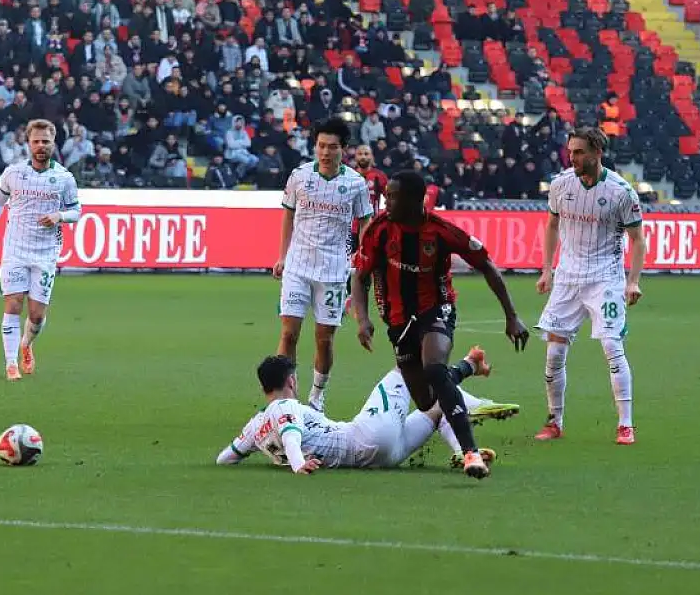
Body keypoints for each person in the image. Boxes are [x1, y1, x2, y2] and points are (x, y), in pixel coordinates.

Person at [350, 170, 530, 481]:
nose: (386, 200)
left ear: (414, 200)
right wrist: (363, 319)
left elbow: (486, 265)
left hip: (436, 310)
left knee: (433, 368)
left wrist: (511, 315)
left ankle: (470, 454)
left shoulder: (441, 231)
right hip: (398, 320)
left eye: (393, 196)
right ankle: (466, 368)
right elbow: (360, 276)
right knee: (426, 400)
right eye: (387, 195)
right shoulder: (379, 229)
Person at [216, 350, 520, 474]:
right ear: (291, 381)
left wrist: (271, 458)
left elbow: (226, 458)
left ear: (263, 388)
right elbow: (291, 436)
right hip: (368, 435)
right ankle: (474, 397)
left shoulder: (256, 427)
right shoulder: (287, 406)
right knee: (407, 368)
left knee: (436, 407)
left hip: (384, 458)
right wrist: (297, 464)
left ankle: (463, 452)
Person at [534, 127, 647, 445]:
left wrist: (633, 280)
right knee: (554, 353)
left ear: (598, 152)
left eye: (579, 152)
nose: (573, 157)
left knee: (612, 347)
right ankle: (554, 421)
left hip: (605, 279)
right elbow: (553, 224)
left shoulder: (621, 192)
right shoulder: (560, 185)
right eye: (571, 151)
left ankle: (626, 425)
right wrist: (546, 270)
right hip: (568, 278)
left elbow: (638, 240)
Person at [274, 118, 374, 411]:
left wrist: (362, 254)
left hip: (333, 270)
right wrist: (282, 255)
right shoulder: (299, 176)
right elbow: (289, 215)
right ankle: (285, 398)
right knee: (288, 332)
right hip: (298, 266)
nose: (325, 152)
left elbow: (366, 219)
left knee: (324, 339)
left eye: (332, 147)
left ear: (344, 149)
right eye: (321, 146)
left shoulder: (355, 183)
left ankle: (316, 397)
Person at [0, 119, 81, 380]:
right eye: (36, 141)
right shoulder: (13, 173)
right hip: (15, 249)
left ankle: (27, 343)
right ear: (28, 143)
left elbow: (76, 211)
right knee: (13, 304)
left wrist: (59, 216)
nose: (40, 146)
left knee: (36, 315)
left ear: (53, 143)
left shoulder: (64, 178)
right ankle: (11, 363)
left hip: (46, 253)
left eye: (45, 141)